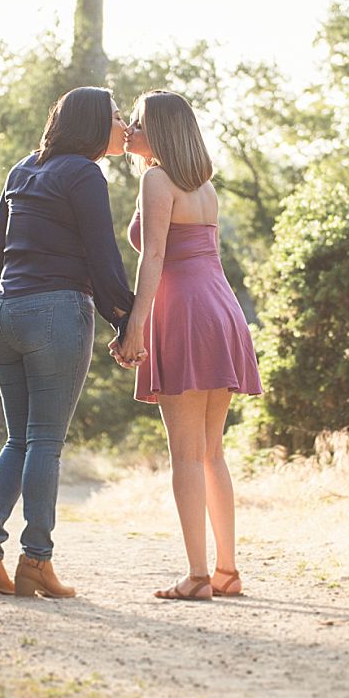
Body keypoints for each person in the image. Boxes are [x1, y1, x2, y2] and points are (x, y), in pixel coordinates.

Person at [0, 86, 137, 599]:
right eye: (115, 116)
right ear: (90, 125)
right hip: (55, 312)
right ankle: (36, 562)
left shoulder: (23, 169)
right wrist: (124, 321)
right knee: (44, 442)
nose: (123, 124)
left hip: (1, 315)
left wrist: (20, 293)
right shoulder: (84, 174)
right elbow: (104, 257)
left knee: (19, 440)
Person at [114, 89, 263, 601]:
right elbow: (212, 258)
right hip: (221, 309)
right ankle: (226, 571)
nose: (128, 130)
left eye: (135, 123)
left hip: (184, 312)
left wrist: (136, 324)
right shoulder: (206, 188)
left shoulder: (157, 180)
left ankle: (197, 577)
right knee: (211, 453)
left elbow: (152, 258)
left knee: (185, 455)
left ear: (159, 132)